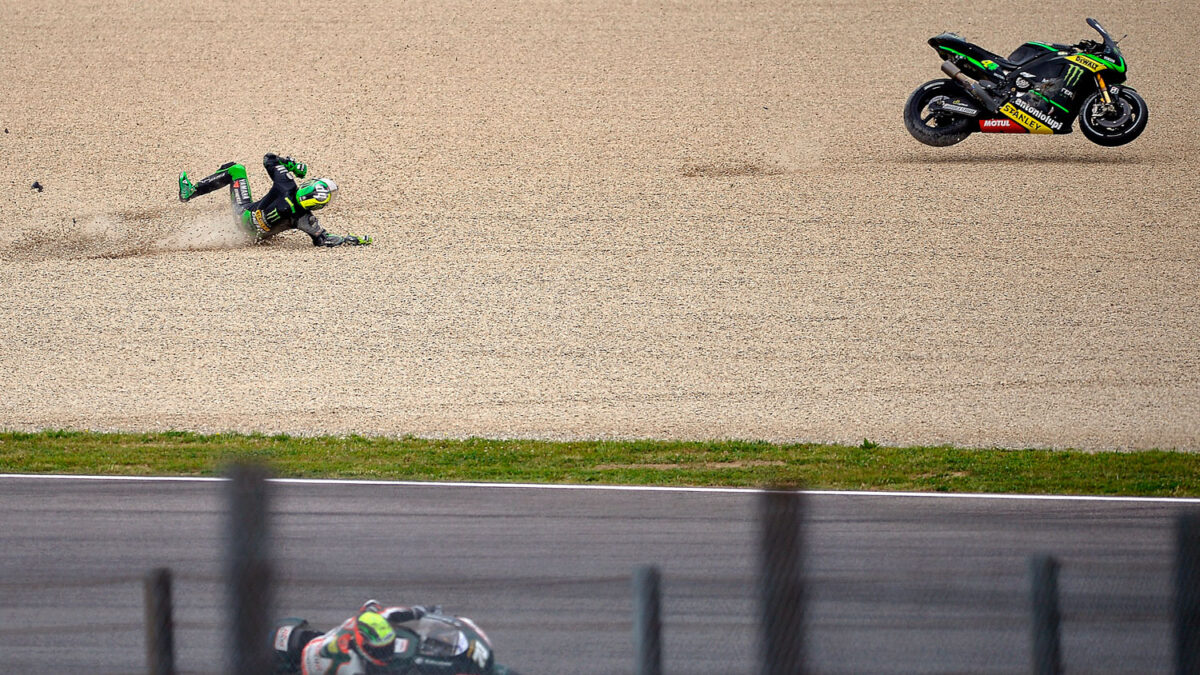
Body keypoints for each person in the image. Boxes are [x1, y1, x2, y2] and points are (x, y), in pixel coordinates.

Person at [178, 153, 371, 247]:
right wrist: (352, 240)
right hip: (254, 237)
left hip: (241, 215)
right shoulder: (304, 219)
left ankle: (190, 191)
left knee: (235, 169)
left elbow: (269, 159)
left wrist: (293, 165)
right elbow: (324, 239)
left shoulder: (285, 184)